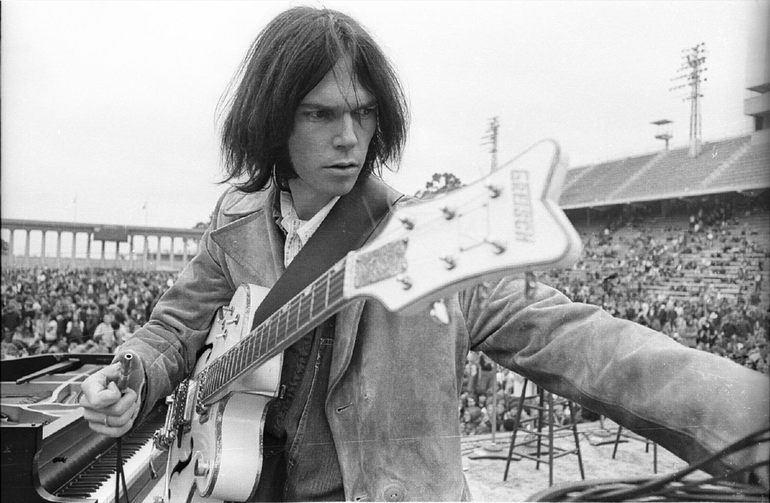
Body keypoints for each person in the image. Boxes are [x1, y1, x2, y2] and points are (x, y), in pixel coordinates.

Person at [78, 6, 768, 501]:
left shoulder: (428, 240)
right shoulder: (235, 221)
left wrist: (748, 416)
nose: (349, 137)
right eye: (320, 114)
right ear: (272, 121)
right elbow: (173, 328)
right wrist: (132, 373)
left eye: (364, 112)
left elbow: (580, 339)